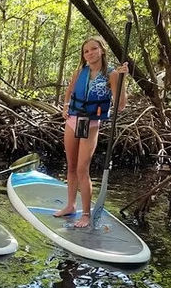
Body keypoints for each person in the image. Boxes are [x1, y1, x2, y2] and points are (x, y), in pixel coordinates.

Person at [54, 36, 128, 227]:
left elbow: (120, 105)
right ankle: (70, 205)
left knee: (82, 169)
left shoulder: (111, 74)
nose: (90, 53)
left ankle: (85, 214)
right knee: (70, 166)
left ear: (102, 50)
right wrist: (65, 106)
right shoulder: (80, 71)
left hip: (91, 123)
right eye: (86, 51)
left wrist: (123, 80)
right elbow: (69, 91)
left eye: (93, 49)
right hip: (72, 120)